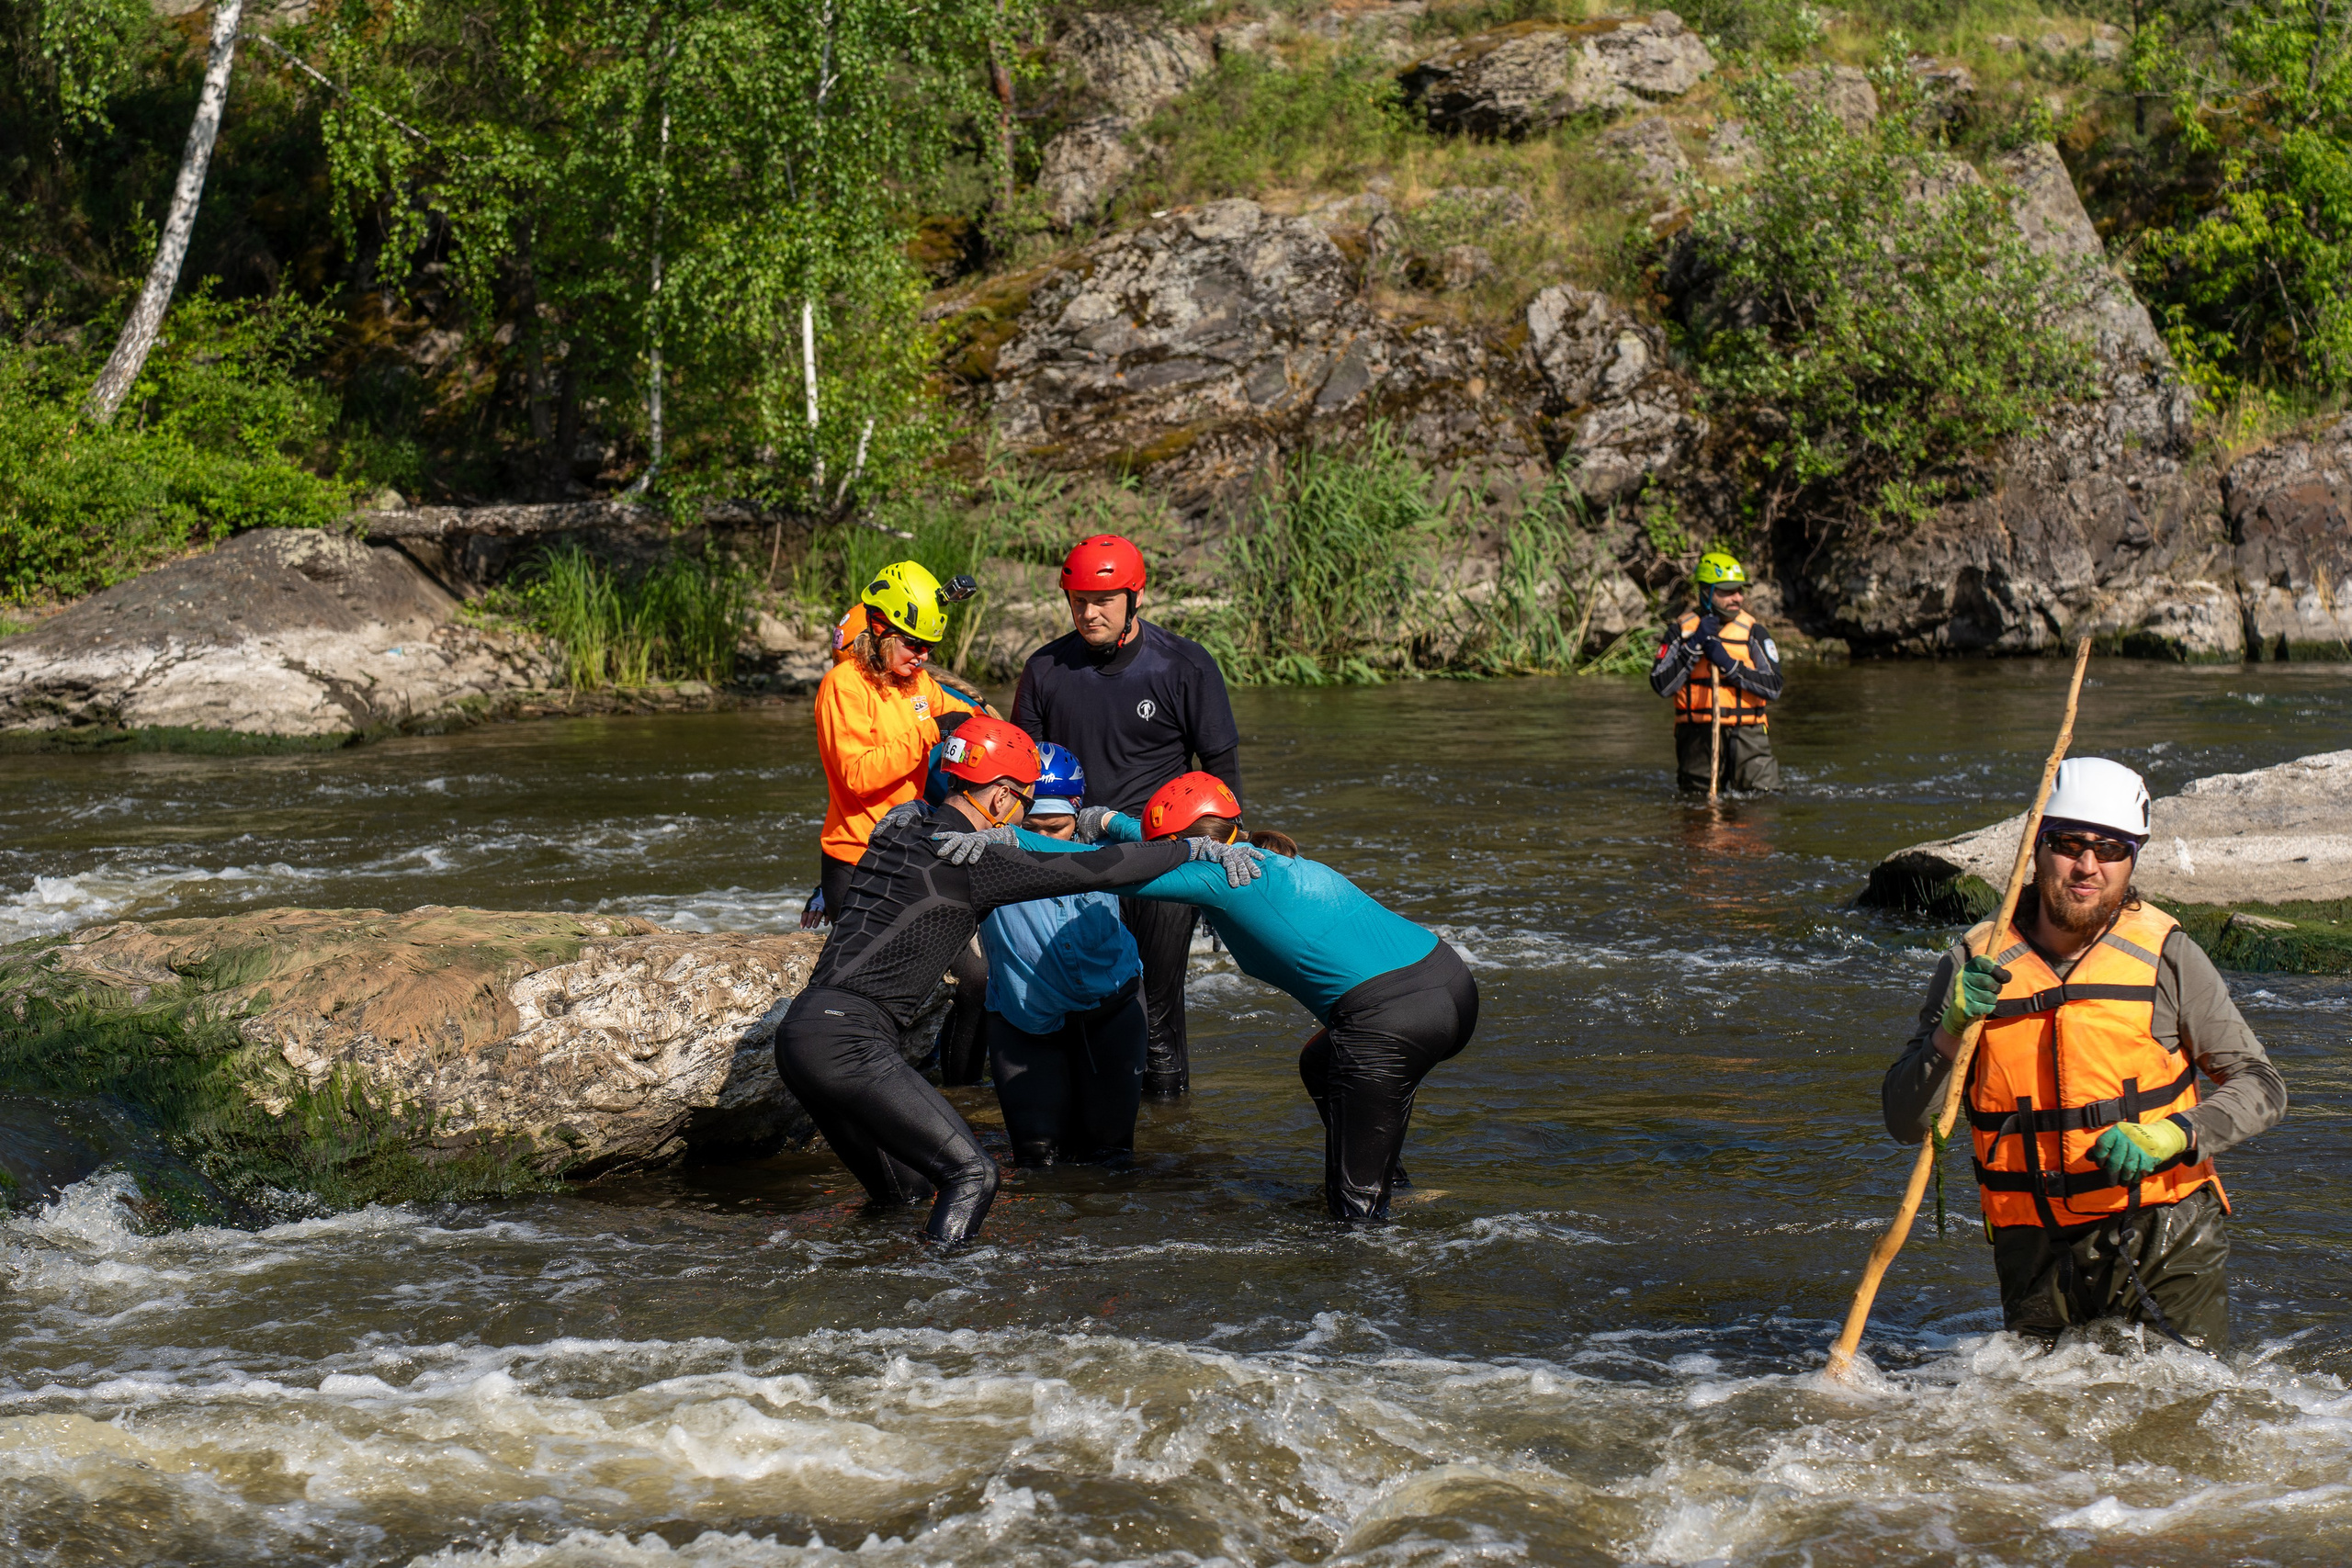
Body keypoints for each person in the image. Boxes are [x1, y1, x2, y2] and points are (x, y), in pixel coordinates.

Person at [773, 716, 1264, 1244]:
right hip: (852, 1044)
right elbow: (1100, 869)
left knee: (904, 1197)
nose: (1025, 815)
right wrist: (1191, 849)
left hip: (799, 1036)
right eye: (1025, 803)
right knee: (973, 1176)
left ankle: (879, 1297)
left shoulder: (899, 827)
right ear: (1005, 797)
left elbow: (900, 831)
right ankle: (936, 1308)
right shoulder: (978, 862)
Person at [1882, 757, 2288, 1353]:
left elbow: (2262, 1083)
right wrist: (1952, 1029)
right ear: (2037, 846)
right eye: (2070, 843)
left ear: (2132, 859)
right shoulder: (1975, 962)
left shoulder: (2169, 957)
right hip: (2034, 1252)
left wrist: (2176, 1134)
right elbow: (1905, 1120)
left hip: (2164, 1239)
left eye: (2112, 848)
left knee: (2182, 1415)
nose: (2088, 865)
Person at [1086, 772, 1479, 1224]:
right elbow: (1158, 842)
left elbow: (1103, 870)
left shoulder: (1213, 877)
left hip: (1395, 1018)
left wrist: (1014, 841)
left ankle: (1371, 1248)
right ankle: (1395, 1185)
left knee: (1355, 1219)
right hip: (1448, 980)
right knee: (1321, 1063)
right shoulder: (1257, 854)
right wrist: (1109, 820)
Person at [1011, 535, 1242, 1099]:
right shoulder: (1045, 670)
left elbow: (1221, 771)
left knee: (1156, 1015)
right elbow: (1016, 778)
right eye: (1077, 600)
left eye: (1103, 601)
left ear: (1135, 598)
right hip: (1075, 858)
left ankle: (1165, 1147)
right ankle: (1092, 1153)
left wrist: (1221, 863)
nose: (1088, 613)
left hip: (1160, 859)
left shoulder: (1185, 666)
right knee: (1078, 1007)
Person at [975, 743, 1149, 1167]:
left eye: (1057, 828)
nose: (1042, 840)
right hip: (1023, 1021)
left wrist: (1110, 820)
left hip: (1112, 1009)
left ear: (1077, 816)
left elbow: (1171, 843)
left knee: (1110, 1157)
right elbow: (913, 842)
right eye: (1032, 826)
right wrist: (911, 815)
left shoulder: (1103, 844)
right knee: (1037, 1158)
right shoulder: (987, 848)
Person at [805, 561, 973, 930]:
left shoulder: (916, 682)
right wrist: (932, 731)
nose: (923, 656)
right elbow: (858, 776)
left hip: (909, 847)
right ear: (880, 628)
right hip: (856, 861)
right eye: (913, 644)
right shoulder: (843, 685)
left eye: (928, 646)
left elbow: (965, 718)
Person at [1648, 551, 1784, 794]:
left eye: (1740, 590)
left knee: (1762, 799)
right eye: (1727, 591)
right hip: (1697, 736)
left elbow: (1774, 687)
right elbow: (1662, 685)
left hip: (1747, 734)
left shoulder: (1755, 632)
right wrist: (1694, 646)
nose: (1737, 598)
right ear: (1706, 592)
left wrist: (1729, 665)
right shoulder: (1681, 632)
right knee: (1698, 807)